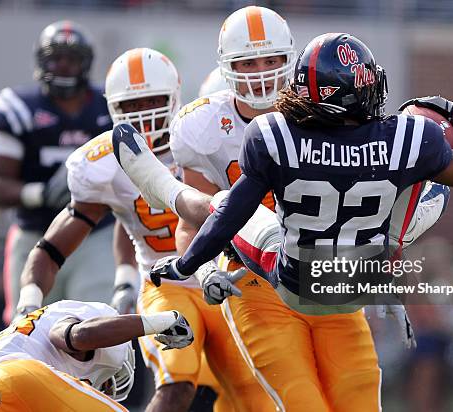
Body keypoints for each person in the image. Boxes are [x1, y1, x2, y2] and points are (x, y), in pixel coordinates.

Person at [112, 32, 453, 410]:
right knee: (427, 198)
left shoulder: (276, 135)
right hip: (353, 279)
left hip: (291, 274)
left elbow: (230, 216)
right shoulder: (410, 137)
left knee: (227, 205)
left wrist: (185, 265)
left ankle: (161, 184)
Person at [18, 47, 268, 412]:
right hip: (166, 283)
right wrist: (29, 300)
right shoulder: (102, 161)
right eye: (132, 105)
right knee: (177, 385)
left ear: (175, 96)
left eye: (153, 100)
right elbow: (54, 246)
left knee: (250, 395)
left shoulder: (202, 134)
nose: (145, 115)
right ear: (113, 109)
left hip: (226, 277)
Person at [0, 20, 115, 323]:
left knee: (96, 323)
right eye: (56, 58)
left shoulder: (108, 107)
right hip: (35, 232)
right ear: (42, 61)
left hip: (94, 235)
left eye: (72, 59)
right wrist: (40, 193)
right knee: (28, 330)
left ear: (86, 64)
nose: (64, 66)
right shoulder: (18, 108)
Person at [0, 300, 192, 411]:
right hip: (13, 377)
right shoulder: (99, 320)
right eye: (104, 385)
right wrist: (161, 322)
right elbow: (77, 337)